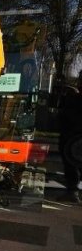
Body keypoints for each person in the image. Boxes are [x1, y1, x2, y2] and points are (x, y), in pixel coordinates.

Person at [58, 75, 82, 203]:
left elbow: (64, 116)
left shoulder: (74, 99)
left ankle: (72, 192)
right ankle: (72, 192)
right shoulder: (74, 98)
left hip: (72, 138)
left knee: (71, 165)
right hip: (73, 138)